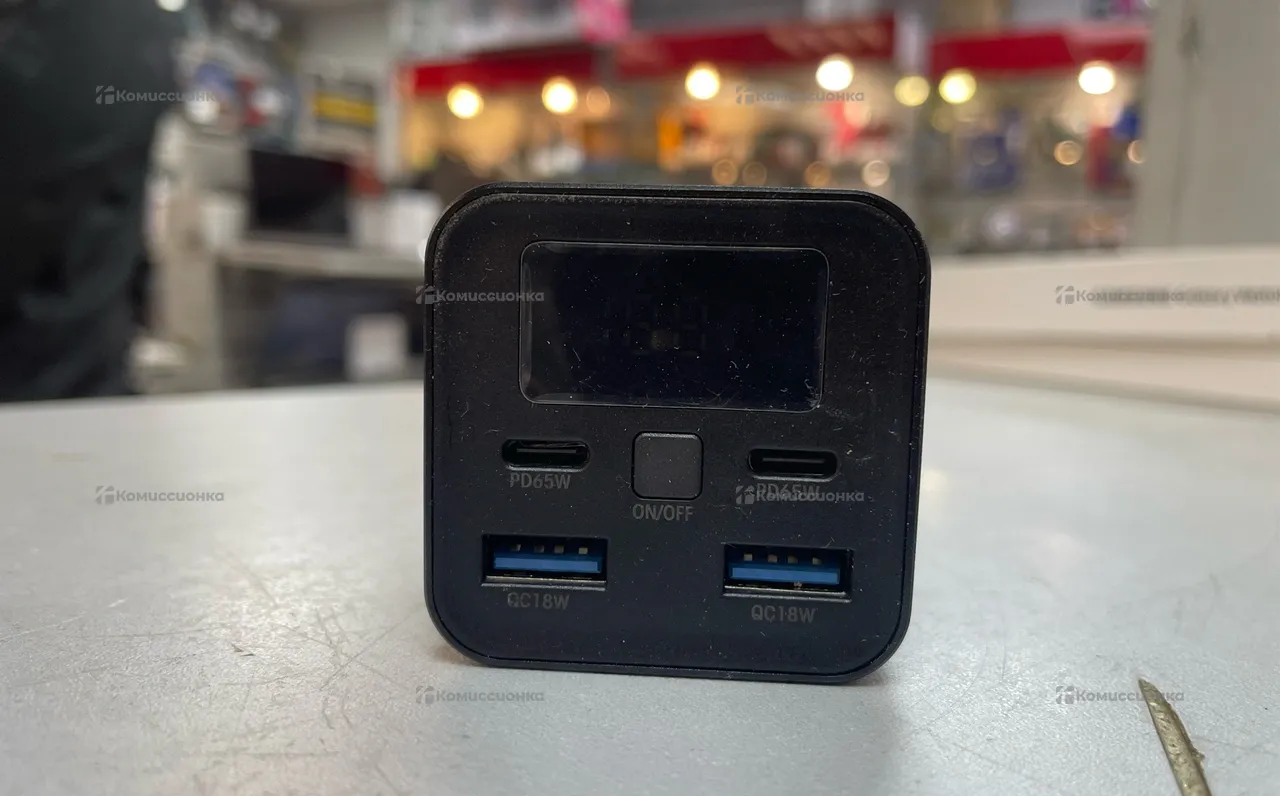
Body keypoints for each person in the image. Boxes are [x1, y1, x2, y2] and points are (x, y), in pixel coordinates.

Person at [0, 0, 182, 401]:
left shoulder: (43, 39)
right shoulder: (146, 30)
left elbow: (26, 201)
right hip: (88, 359)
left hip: (26, 373)